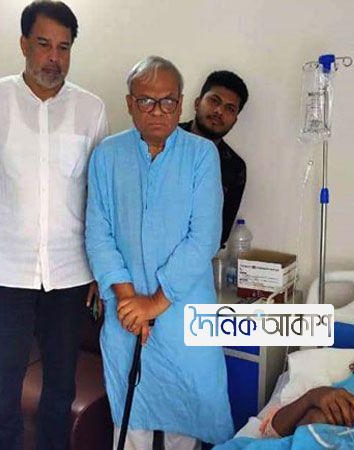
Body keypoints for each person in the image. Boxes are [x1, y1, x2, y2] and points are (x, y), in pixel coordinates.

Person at [0, 1, 108, 448]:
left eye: (64, 47)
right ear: (24, 44)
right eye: (43, 44)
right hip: (4, 271)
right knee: (3, 394)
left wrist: (98, 270)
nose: (54, 58)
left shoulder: (91, 109)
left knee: (60, 390)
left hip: (69, 274)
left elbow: (99, 199)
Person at [86, 56, 234, 450]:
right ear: (130, 103)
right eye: (146, 101)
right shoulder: (107, 155)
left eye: (168, 101)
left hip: (184, 311)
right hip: (125, 312)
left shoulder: (201, 155)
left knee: (185, 415)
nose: (157, 111)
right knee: (131, 419)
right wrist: (129, 301)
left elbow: (203, 238)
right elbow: (98, 235)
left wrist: (155, 302)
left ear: (181, 103)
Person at [180, 70, 248, 246]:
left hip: (196, 256)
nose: (219, 111)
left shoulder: (234, 168)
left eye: (229, 108)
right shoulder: (164, 140)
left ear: (235, 120)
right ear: (197, 103)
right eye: (214, 101)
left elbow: (220, 234)